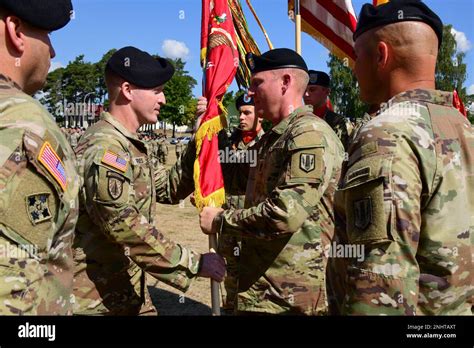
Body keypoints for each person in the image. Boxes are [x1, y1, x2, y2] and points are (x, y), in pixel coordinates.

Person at [331, 0, 473, 315]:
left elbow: (380, 290)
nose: (354, 69)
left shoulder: (385, 135)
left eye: (357, 57)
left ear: (381, 55)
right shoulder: (463, 127)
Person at [73, 46, 225, 315]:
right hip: (97, 301)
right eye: (157, 91)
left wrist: (198, 141)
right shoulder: (106, 148)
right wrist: (193, 263)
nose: (164, 99)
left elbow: (168, 187)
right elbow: (124, 225)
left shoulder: (130, 145)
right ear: (128, 90)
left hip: (127, 293)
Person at [199, 48, 344, 315]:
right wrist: (212, 124)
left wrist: (220, 220)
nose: (251, 93)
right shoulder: (275, 137)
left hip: (288, 298)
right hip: (264, 293)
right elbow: (231, 176)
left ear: (286, 82)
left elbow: (284, 214)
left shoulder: (307, 135)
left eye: (257, 83)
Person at [0, 0, 80, 315]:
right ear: (16, 31)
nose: (52, 50)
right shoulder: (23, 124)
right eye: (46, 34)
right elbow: (13, 294)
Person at [218, 93, 265, 312]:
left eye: (247, 112)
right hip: (228, 220)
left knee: (253, 275)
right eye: (240, 113)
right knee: (229, 272)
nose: (242, 117)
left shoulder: (267, 142)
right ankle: (229, 308)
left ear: (260, 116)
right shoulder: (229, 141)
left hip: (252, 220)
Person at [304, 70, 350, 150]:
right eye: (304, 90)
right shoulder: (299, 119)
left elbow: (343, 155)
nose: (306, 94)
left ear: (327, 92)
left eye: (312, 90)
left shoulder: (337, 122)